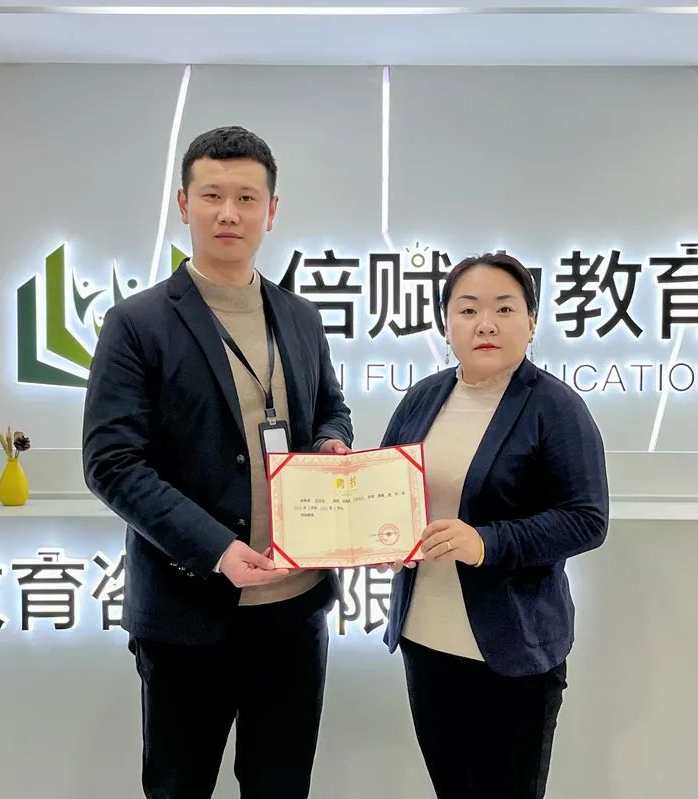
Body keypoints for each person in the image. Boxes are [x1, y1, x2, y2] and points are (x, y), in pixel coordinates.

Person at [82, 125, 352, 799]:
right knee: (179, 786)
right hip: (187, 612)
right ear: (183, 203)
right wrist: (217, 549)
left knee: (281, 785)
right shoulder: (138, 323)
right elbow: (111, 462)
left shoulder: (301, 317)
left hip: (294, 610)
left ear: (271, 210)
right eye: (211, 195)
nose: (229, 212)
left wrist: (332, 445)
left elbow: (332, 409)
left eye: (246, 198)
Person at [380, 251, 608, 799]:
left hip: (513, 650)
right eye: (468, 310)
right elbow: (386, 487)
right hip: (425, 639)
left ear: (531, 321)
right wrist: (378, 535)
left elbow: (586, 519)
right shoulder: (423, 398)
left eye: (504, 308)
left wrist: (485, 542)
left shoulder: (555, 406)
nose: (485, 324)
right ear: (446, 324)